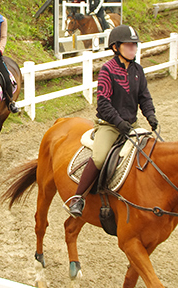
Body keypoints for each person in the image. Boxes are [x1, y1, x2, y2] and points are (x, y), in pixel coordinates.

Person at [68, 25, 158, 217]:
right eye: (129, 45)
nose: (133, 48)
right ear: (116, 47)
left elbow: (144, 97)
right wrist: (118, 122)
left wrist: (150, 115)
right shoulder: (107, 70)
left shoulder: (137, 70)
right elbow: (103, 104)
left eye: (135, 45)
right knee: (100, 157)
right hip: (110, 125)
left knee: (150, 151)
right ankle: (78, 198)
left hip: (131, 124)